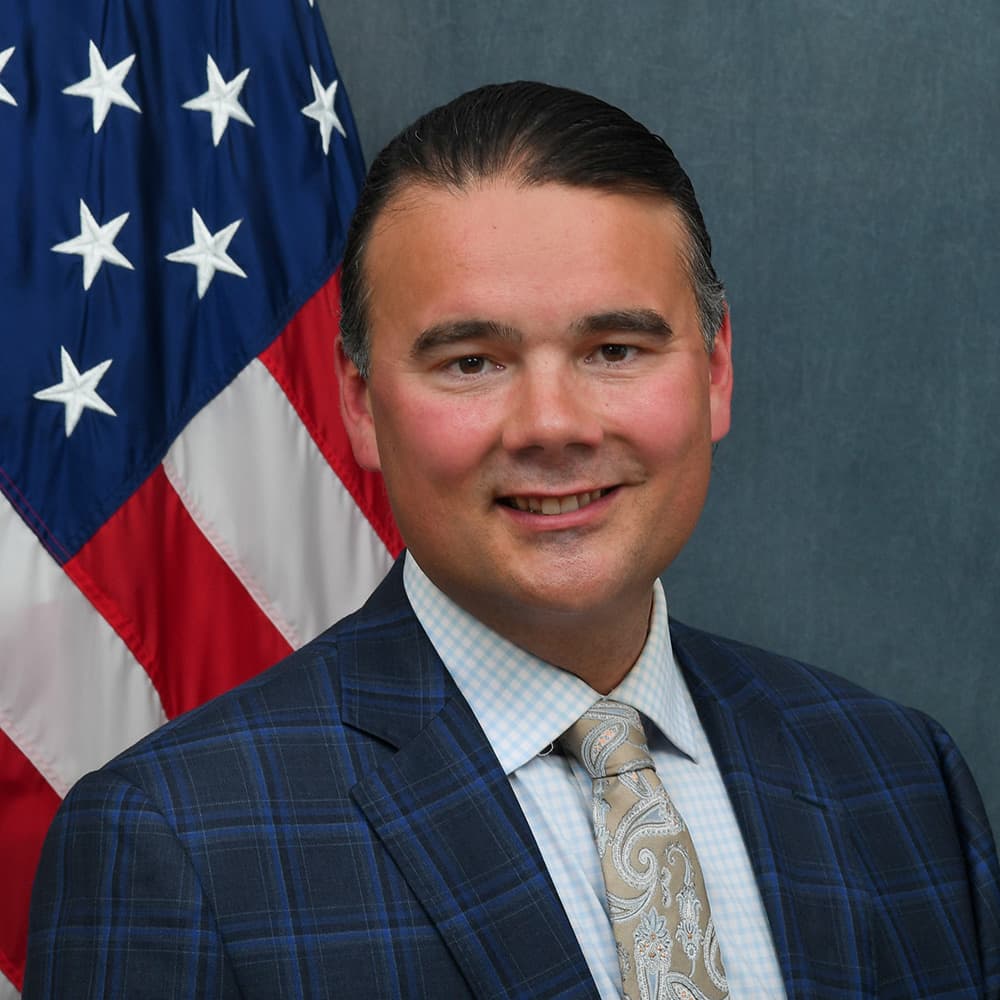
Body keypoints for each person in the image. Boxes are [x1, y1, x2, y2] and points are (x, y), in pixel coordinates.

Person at [25, 82, 999, 999]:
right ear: (359, 406)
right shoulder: (173, 841)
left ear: (713, 372)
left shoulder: (897, 775)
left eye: (614, 349)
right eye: (472, 360)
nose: (552, 423)